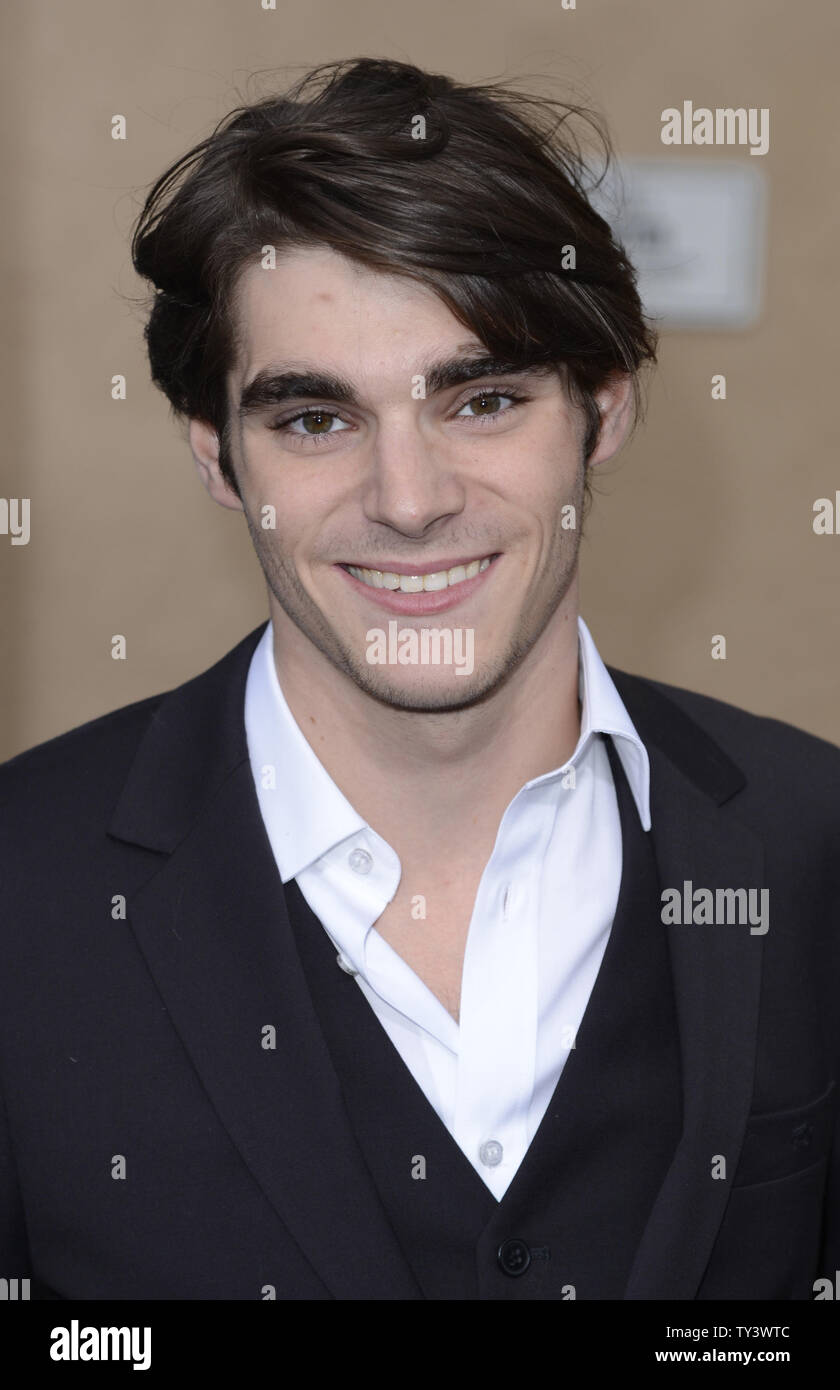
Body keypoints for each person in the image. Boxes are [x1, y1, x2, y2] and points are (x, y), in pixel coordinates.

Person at [1, 57, 838, 1302]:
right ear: (220, 459)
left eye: (484, 398)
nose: (410, 500)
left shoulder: (810, 838)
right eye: (315, 420)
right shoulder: (23, 883)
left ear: (601, 413)